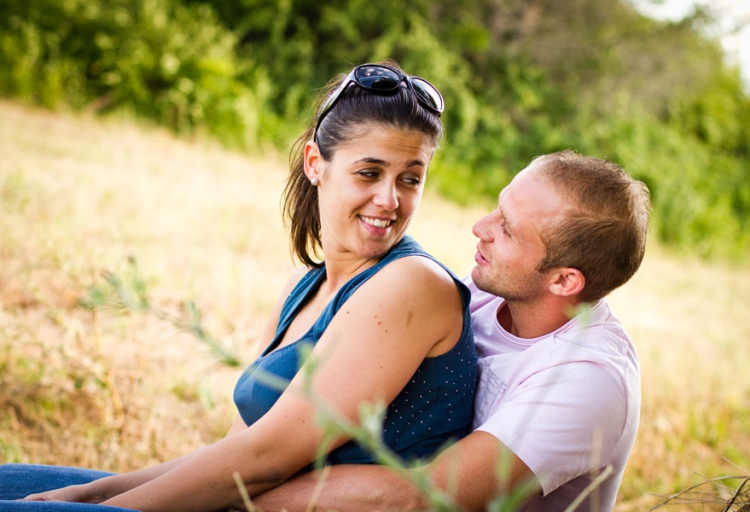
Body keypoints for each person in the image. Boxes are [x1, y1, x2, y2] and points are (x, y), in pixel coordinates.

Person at [0, 61, 478, 511]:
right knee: (9, 481)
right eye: (369, 173)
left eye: (410, 179)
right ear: (316, 163)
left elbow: (266, 459)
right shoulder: (304, 288)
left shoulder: (412, 284)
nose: (390, 199)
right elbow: (234, 452)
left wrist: (97, 508)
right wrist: (91, 494)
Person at [250, 149, 652, 511]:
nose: (481, 227)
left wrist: (239, 491)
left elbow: (421, 496)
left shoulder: (585, 380)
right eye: (497, 209)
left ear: (564, 282)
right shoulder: (488, 291)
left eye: (508, 229)